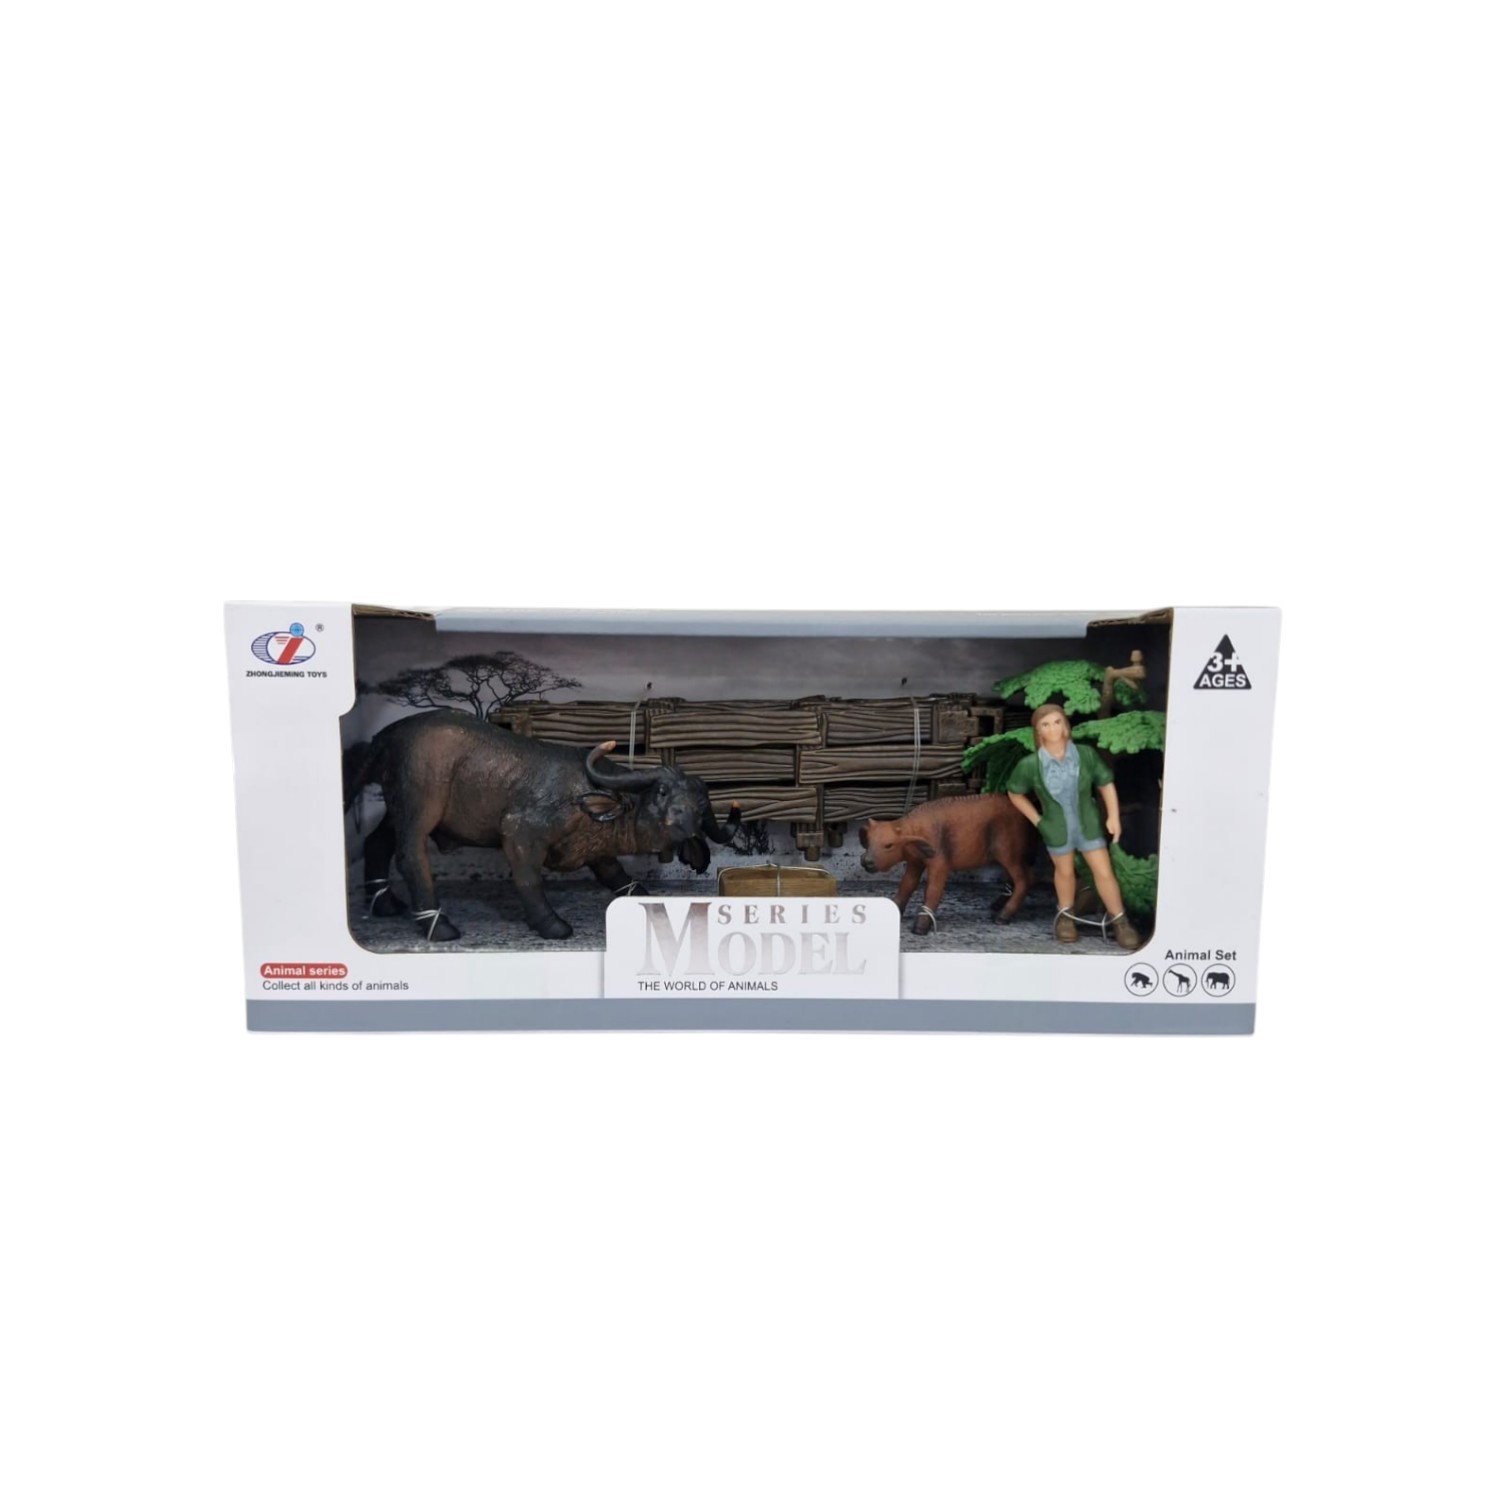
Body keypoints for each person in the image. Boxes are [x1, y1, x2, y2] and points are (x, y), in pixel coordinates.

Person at [1005, 703, 1141, 949]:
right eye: (1045, 724)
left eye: (1057, 722)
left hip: (1087, 825)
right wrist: (1037, 820)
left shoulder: (1085, 754)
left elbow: (1105, 783)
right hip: (1056, 828)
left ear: (1066, 725)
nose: (1053, 729)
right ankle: (1066, 916)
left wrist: (1113, 816)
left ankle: (1120, 920)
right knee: (1064, 872)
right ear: (1038, 731)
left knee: (1103, 871)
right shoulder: (1031, 764)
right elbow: (1015, 793)